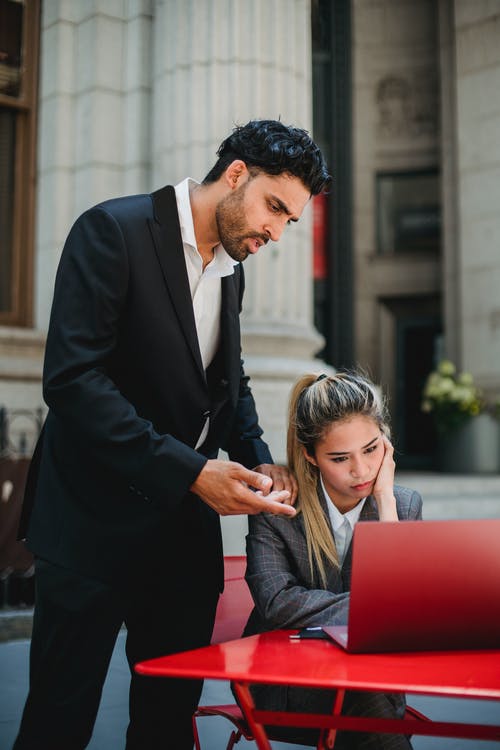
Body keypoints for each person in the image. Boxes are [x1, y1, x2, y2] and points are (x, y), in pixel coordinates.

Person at [13, 120, 331, 750]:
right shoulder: (111, 230)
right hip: (89, 529)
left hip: (181, 539)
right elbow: (74, 381)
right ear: (235, 174)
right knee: (58, 720)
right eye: (274, 207)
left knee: (167, 726)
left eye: (289, 221)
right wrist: (191, 471)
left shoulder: (232, 270)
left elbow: (225, 379)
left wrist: (262, 461)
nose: (275, 230)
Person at [240, 371, 423, 749]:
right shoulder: (276, 507)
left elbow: (405, 611)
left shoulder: (402, 504)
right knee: (367, 705)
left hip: (371, 681)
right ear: (310, 455)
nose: (361, 470)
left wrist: (386, 502)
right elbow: (278, 603)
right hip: (286, 686)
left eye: (372, 449)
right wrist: (380, 610)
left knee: (366, 699)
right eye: (340, 458)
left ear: (386, 441)